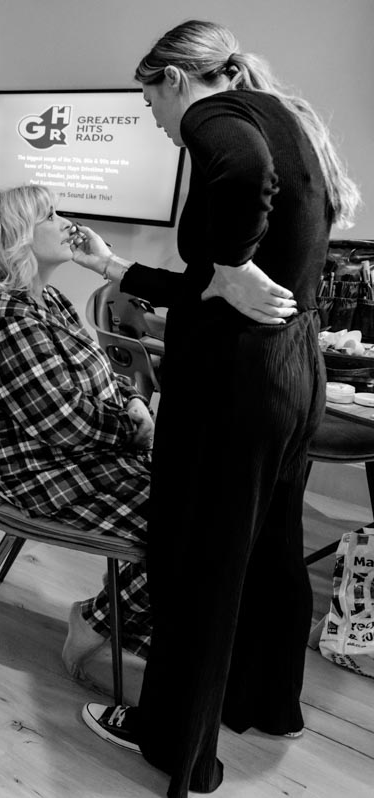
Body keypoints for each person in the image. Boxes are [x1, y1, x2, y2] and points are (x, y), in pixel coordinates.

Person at [75, 20, 361, 798]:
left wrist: (229, 265)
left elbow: (235, 199)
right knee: (270, 549)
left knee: (197, 562)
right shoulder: (283, 114)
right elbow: (210, 286)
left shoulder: (216, 118)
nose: (160, 126)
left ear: (176, 79)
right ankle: (270, 705)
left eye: (150, 105)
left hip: (236, 385)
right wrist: (118, 266)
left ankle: (174, 746)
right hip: (290, 369)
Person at [0, 185, 156, 679]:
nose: (66, 222)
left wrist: (130, 399)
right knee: (194, 528)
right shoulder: (6, 321)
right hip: (49, 471)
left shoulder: (50, 301)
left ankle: (129, 623)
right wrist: (132, 432)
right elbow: (62, 423)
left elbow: (102, 373)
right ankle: (98, 622)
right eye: (50, 215)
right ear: (15, 239)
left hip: (86, 457)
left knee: (214, 510)